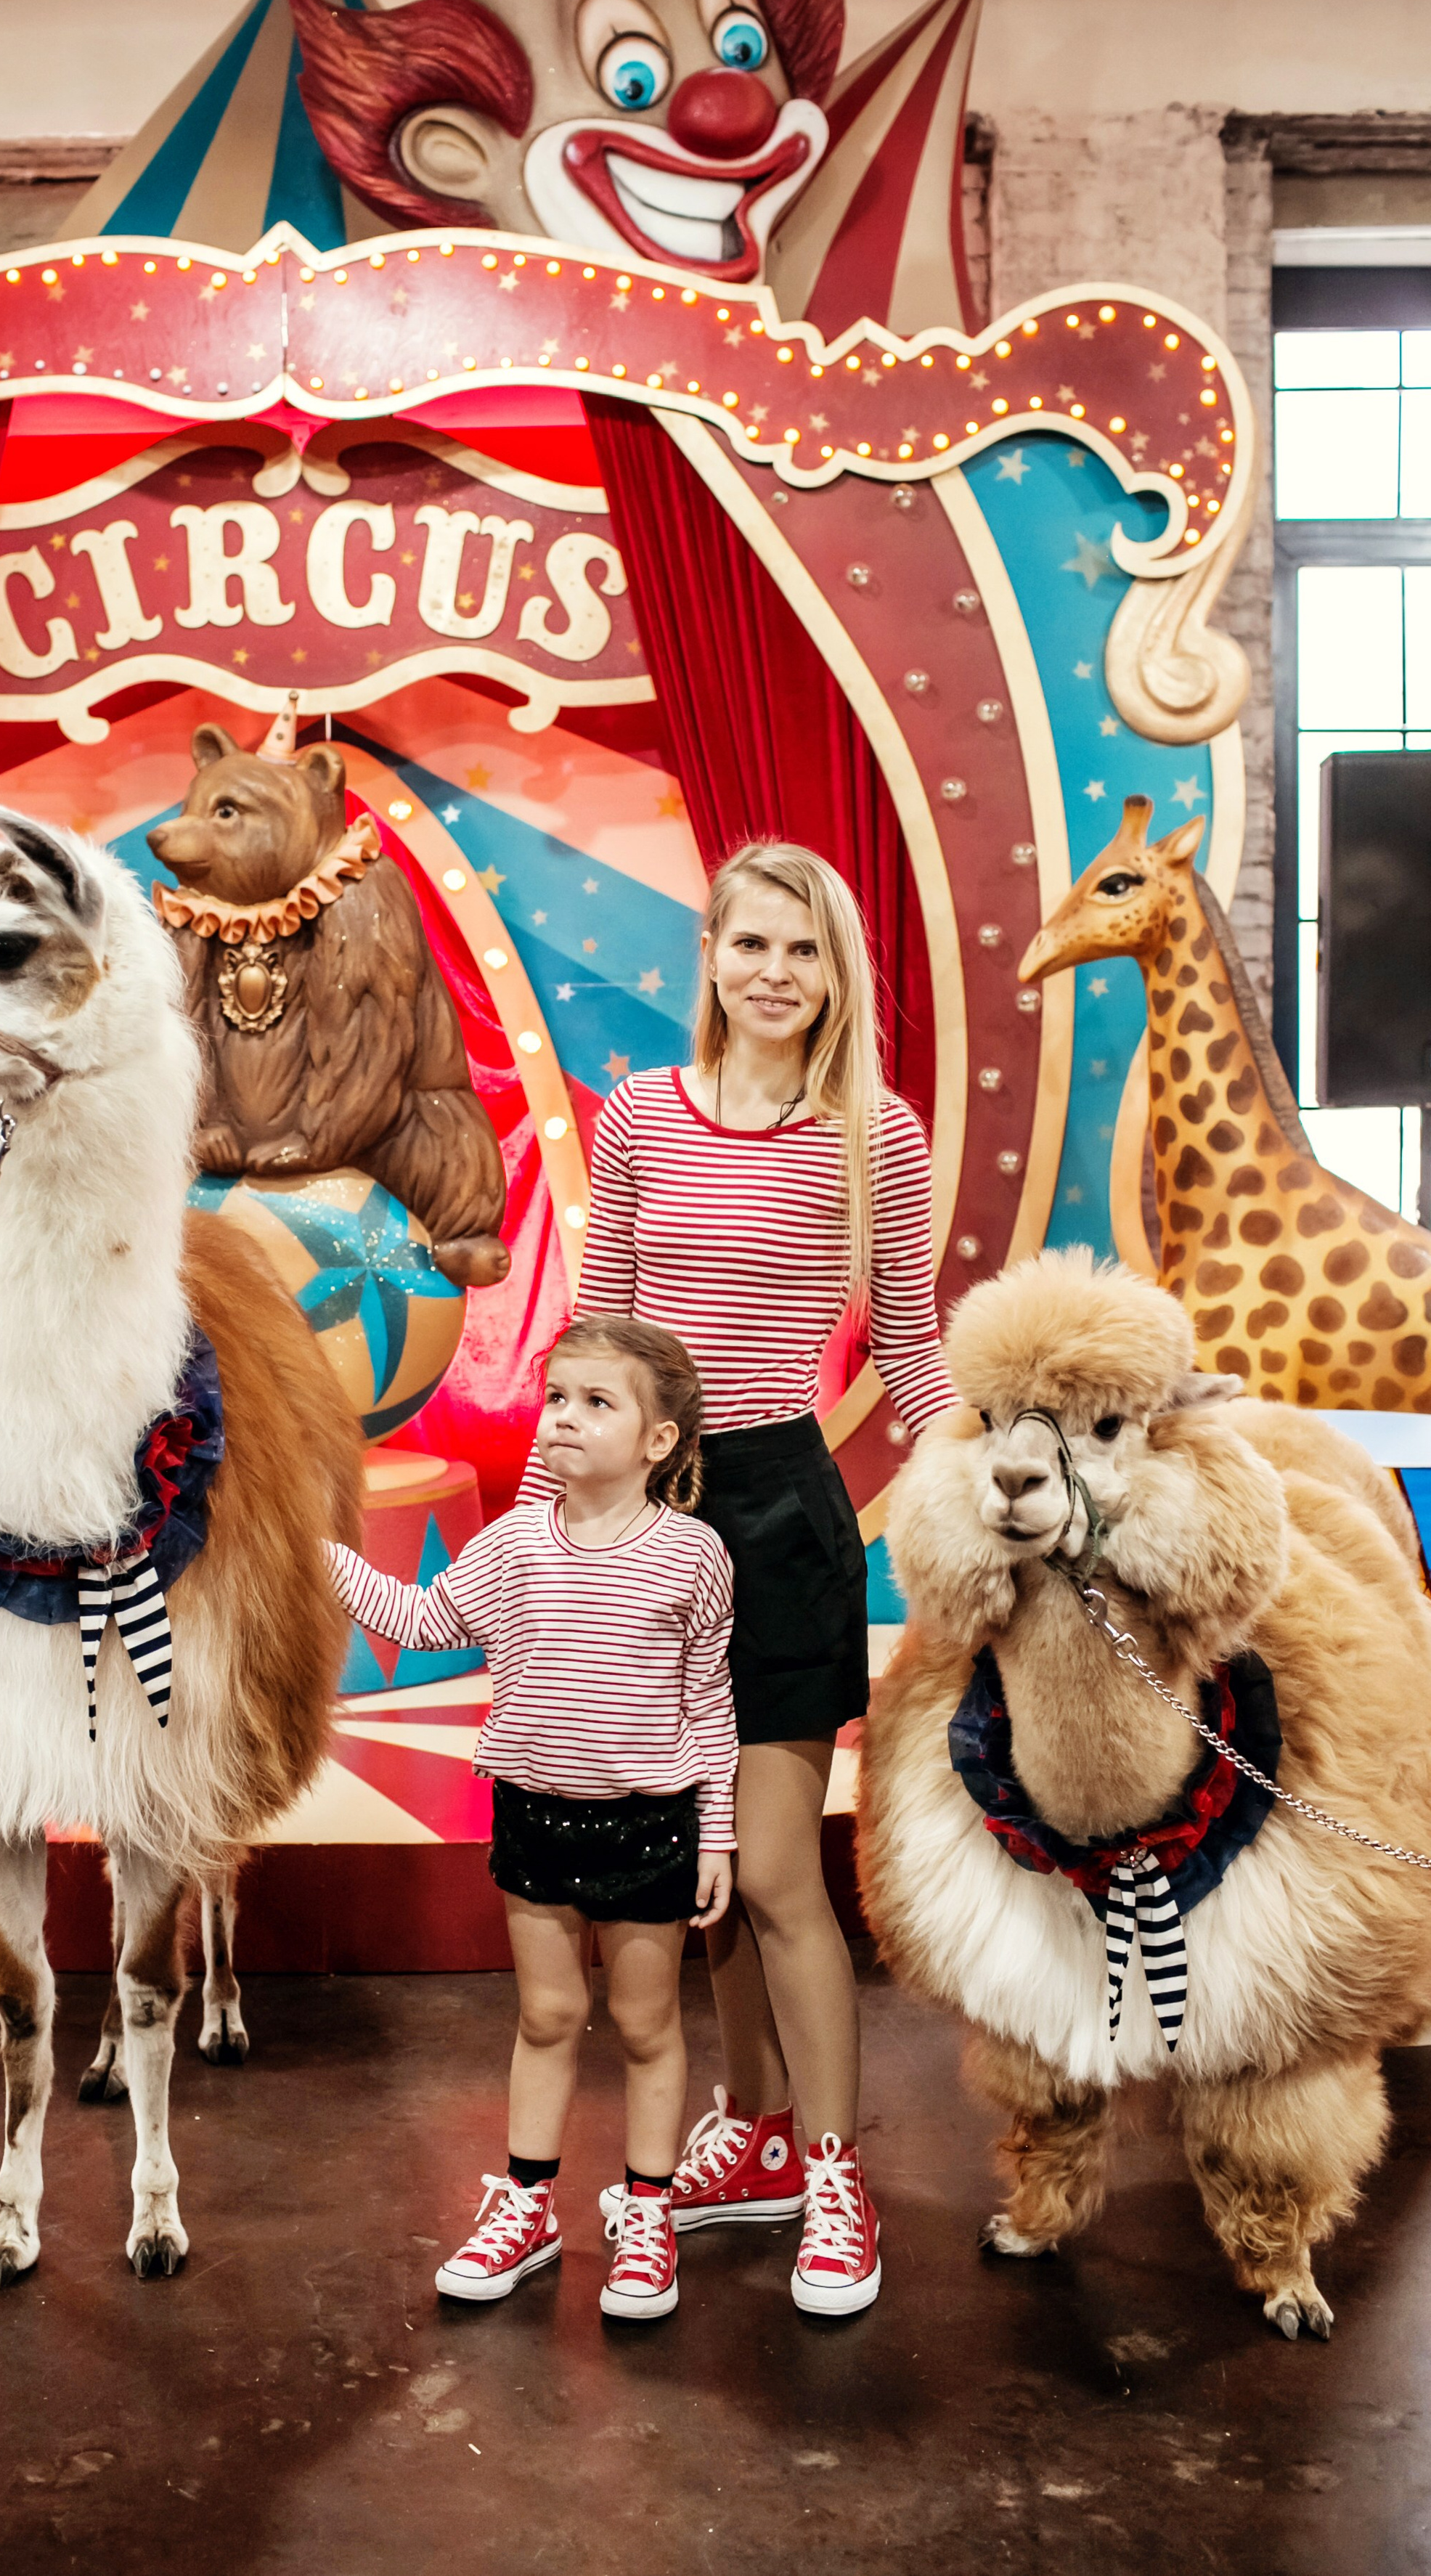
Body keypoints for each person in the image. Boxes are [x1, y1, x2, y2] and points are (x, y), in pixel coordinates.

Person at [525, 840, 956, 2316]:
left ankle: (836, 2172)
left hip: (778, 1511)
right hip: (639, 1516)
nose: (775, 972)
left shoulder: (873, 1136)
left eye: (804, 950)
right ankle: (756, 2135)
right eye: (751, 943)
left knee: (773, 1868)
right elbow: (596, 1345)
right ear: (707, 955)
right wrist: (537, 1534)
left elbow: (909, 1345)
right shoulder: (640, 1114)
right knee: (687, 1881)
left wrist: (980, 1493)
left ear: (834, 974)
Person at [327, 1315, 735, 2323]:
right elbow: (425, 1619)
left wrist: (718, 1829)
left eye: (598, 1402)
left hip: (650, 1821)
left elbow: (710, 1703)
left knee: (645, 2023)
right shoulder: (512, 1543)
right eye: (557, 1396)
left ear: (657, 1440)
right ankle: (526, 2205)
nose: (564, 1417)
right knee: (547, 2014)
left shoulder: (693, 1555)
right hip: (534, 1815)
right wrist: (317, 1555)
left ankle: (646, 2211)